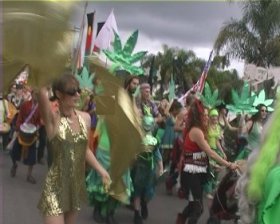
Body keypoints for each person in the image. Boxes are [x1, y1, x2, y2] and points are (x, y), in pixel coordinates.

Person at [37, 73, 110, 224]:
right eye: (72, 92)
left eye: (78, 90)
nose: (77, 94)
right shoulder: (52, 119)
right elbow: (41, 94)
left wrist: (102, 171)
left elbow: (85, 150)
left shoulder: (86, 118)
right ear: (59, 94)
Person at [176, 99, 238, 224]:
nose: (206, 117)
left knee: (195, 206)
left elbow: (199, 155)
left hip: (195, 171)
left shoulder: (197, 130)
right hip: (192, 173)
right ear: (198, 116)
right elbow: (209, 152)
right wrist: (228, 164)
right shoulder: (197, 132)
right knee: (197, 208)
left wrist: (212, 165)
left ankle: (180, 219)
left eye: (207, 115)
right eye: (204, 115)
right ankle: (181, 220)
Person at [10, 89, 40, 184]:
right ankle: (14, 165)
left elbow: (40, 121)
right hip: (22, 131)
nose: (37, 96)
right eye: (36, 94)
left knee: (32, 156)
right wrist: (19, 127)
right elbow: (20, 117)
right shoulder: (25, 104)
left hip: (32, 133)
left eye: (38, 95)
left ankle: (29, 175)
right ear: (32, 94)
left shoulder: (40, 108)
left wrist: (37, 128)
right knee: (14, 152)